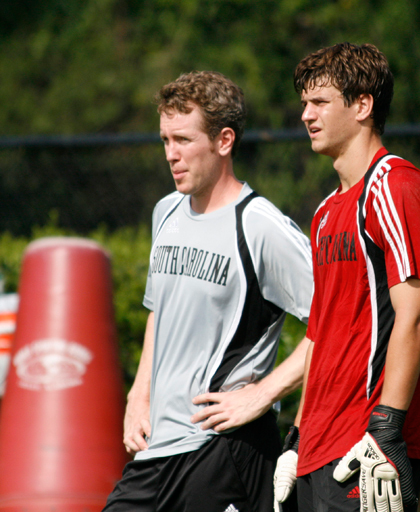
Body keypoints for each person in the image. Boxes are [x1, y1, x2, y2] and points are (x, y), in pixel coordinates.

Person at [103, 70, 313, 512]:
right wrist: (138, 395)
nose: (170, 154)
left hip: (225, 449)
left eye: (183, 139)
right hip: (158, 450)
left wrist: (264, 393)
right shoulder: (166, 212)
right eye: (164, 140)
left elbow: (342, 320)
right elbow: (161, 311)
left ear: (224, 141)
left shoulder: (260, 226)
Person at [273, 43, 420, 512]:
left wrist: (387, 429)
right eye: (304, 104)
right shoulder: (326, 211)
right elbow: (322, 334)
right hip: (317, 447)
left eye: (320, 102)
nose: (306, 115)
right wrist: (296, 435)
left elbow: (414, 316)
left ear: (363, 106)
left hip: (365, 447)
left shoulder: (394, 186)